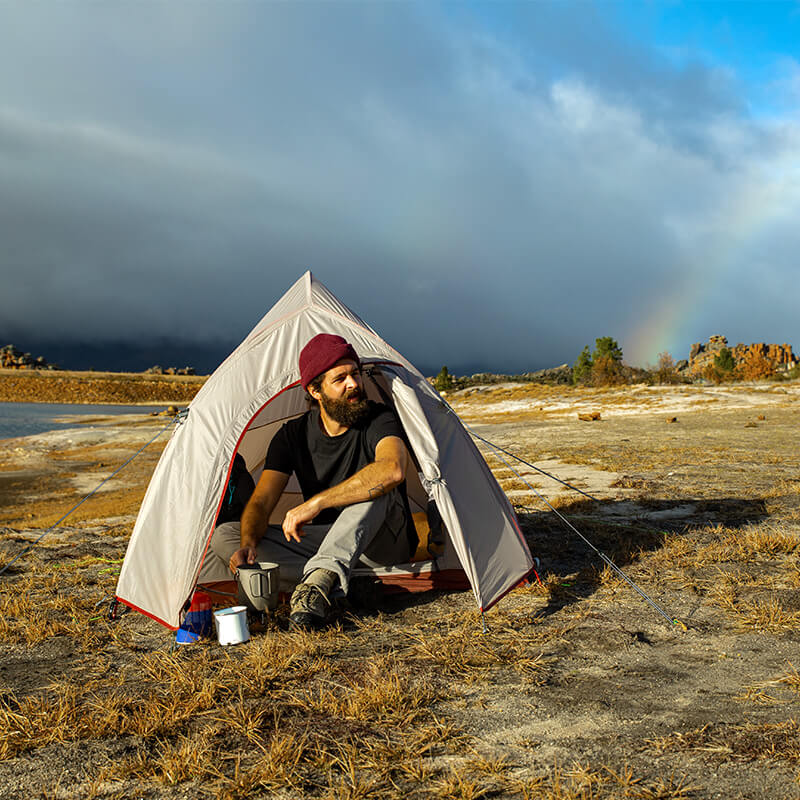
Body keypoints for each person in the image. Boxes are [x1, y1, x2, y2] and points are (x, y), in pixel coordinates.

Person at [209, 333, 417, 628]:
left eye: (355, 373)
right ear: (315, 390)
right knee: (225, 535)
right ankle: (340, 584)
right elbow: (262, 501)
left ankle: (316, 584)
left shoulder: (379, 418)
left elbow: (392, 469)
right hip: (325, 543)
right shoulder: (292, 435)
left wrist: (317, 503)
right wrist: (248, 543)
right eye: (340, 378)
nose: (354, 384)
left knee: (377, 489)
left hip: (380, 542)